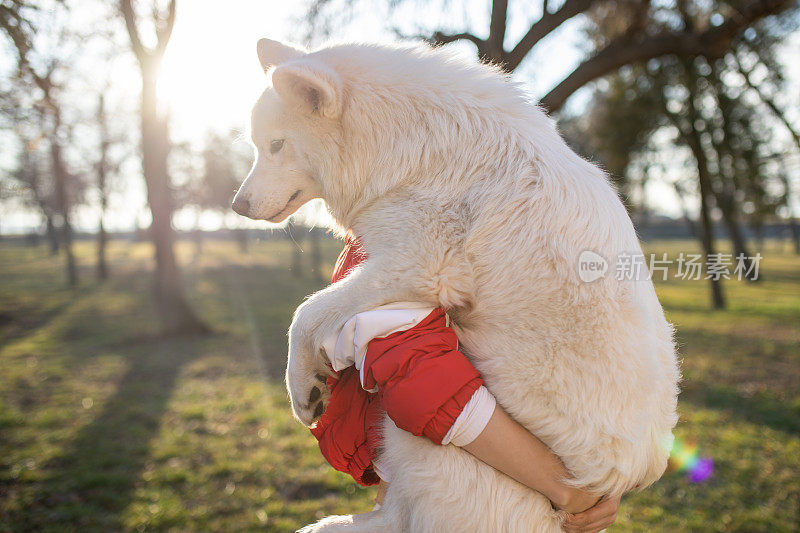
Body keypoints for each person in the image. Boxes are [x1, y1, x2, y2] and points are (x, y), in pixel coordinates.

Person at [310, 233, 621, 532]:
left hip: (524, 498)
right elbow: (418, 375)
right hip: (460, 499)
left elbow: (601, 343)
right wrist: (571, 488)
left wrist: (606, 479)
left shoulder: (529, 200)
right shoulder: (396, 216)